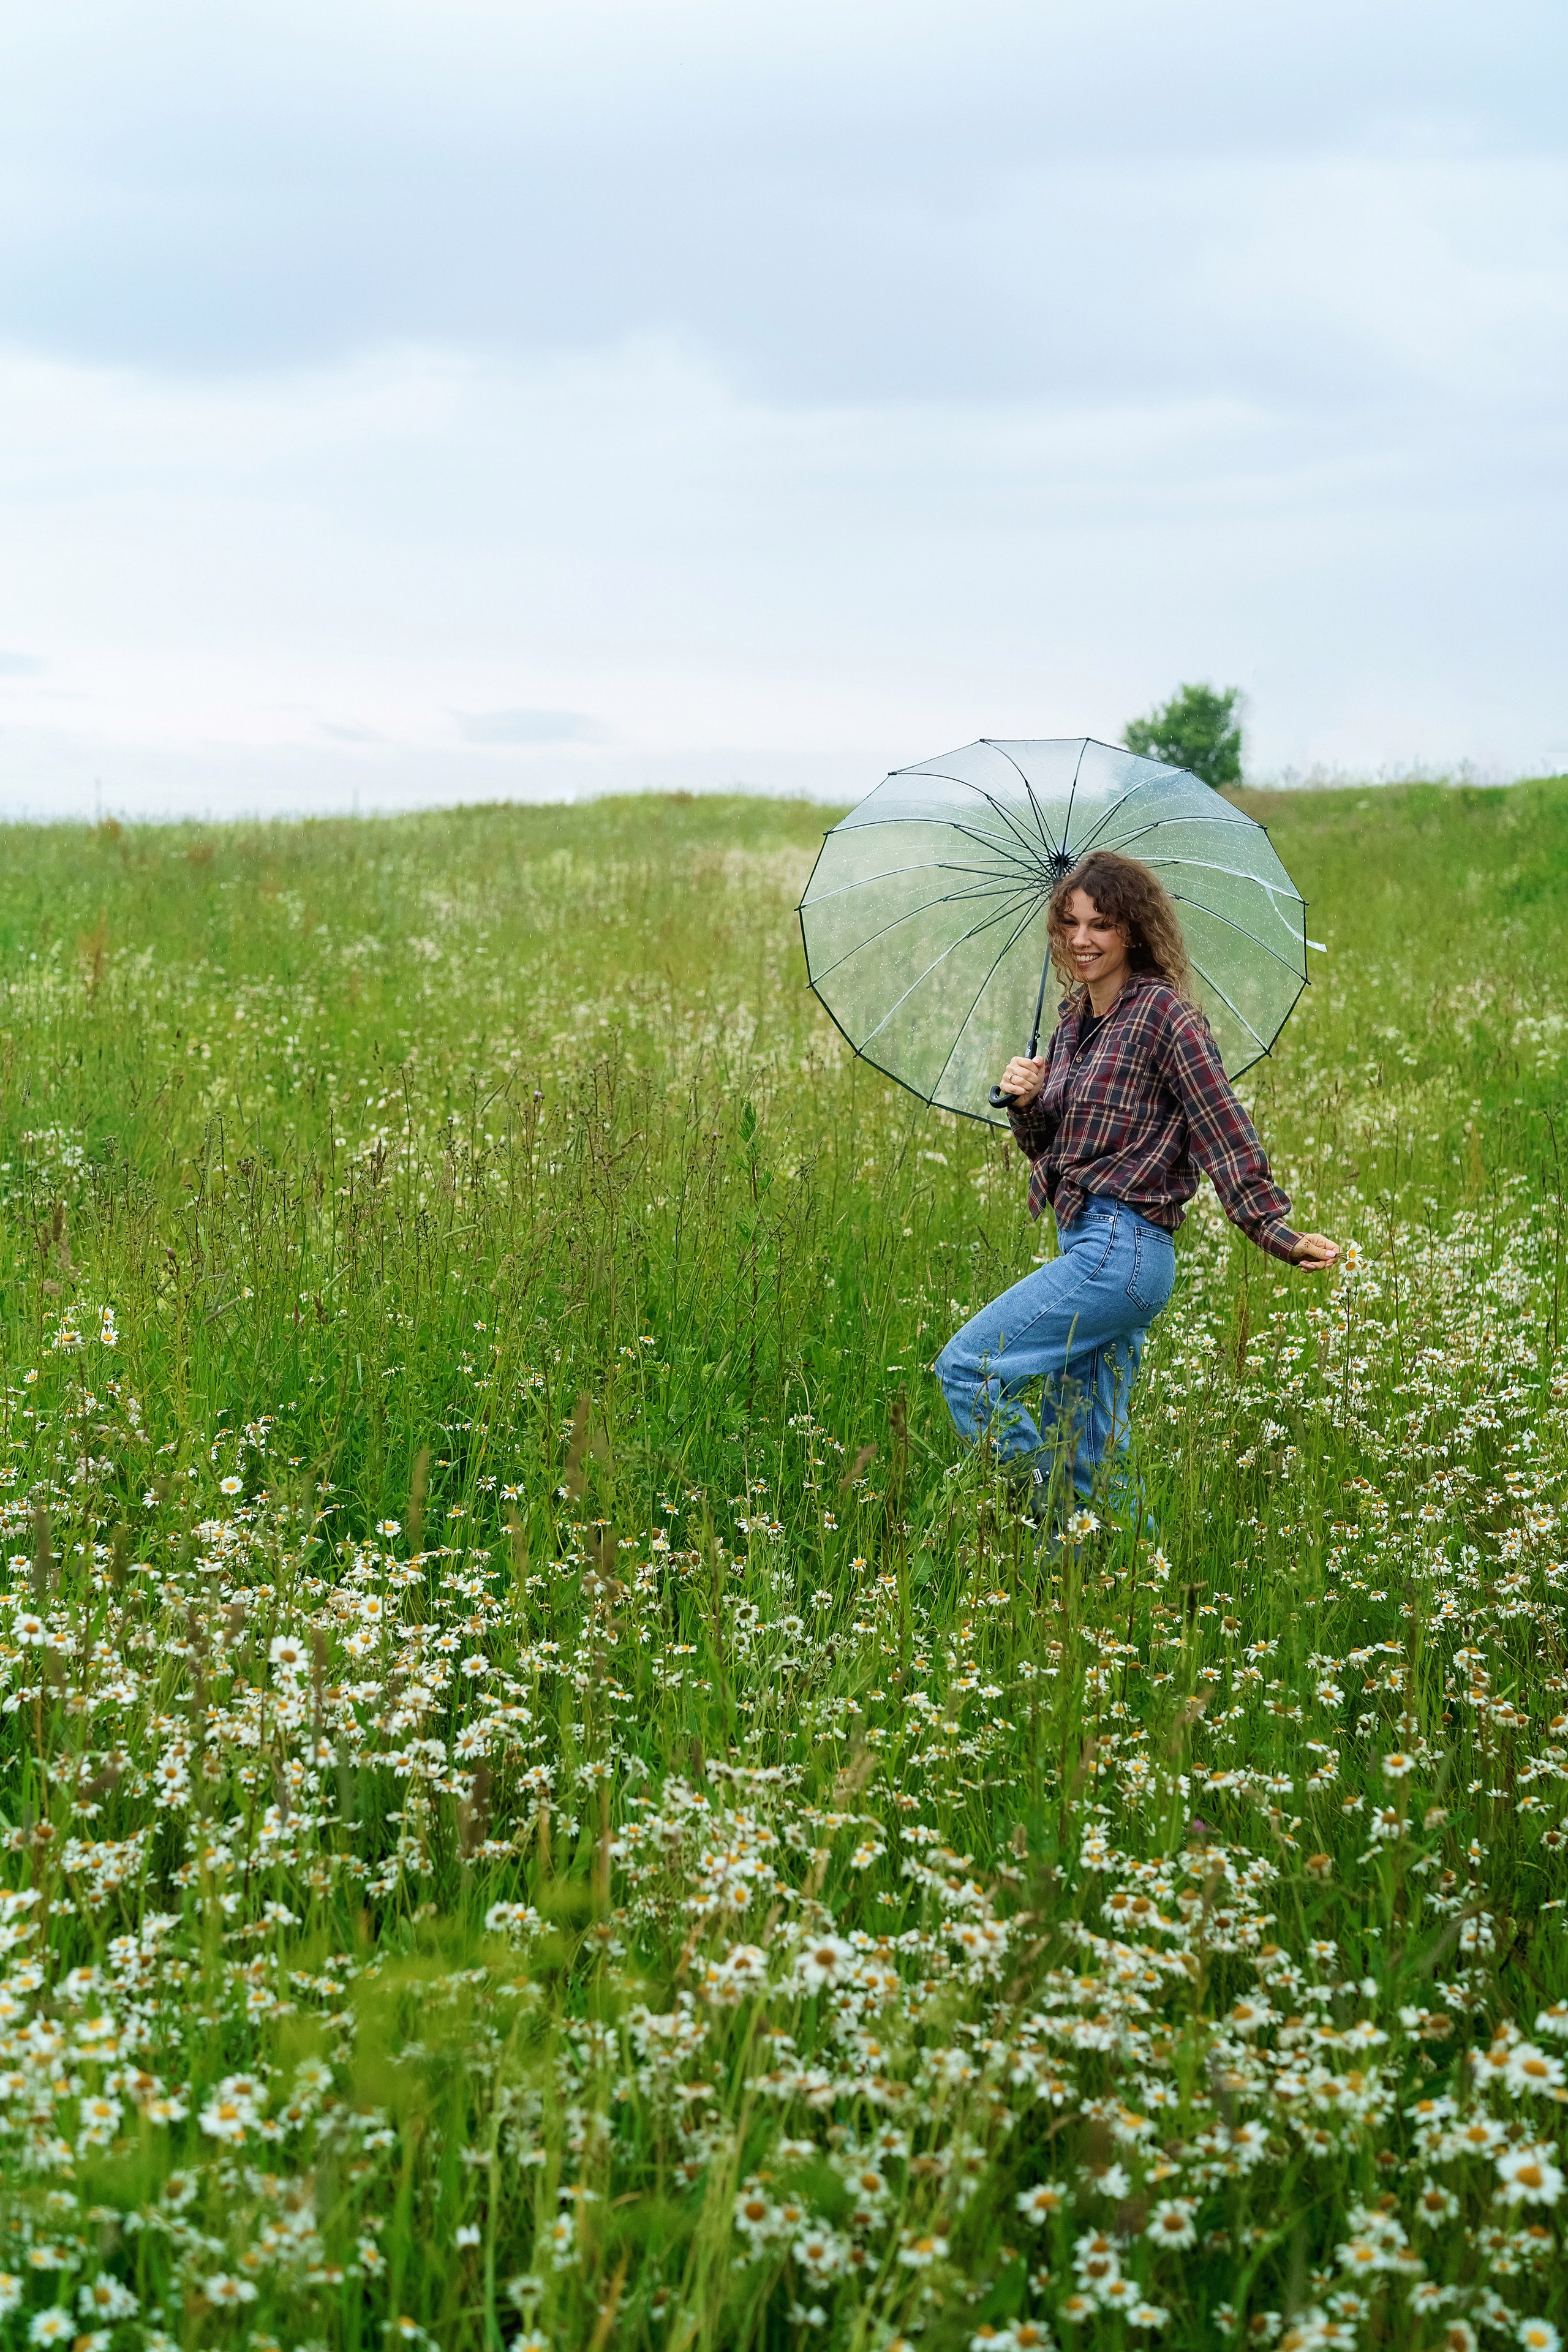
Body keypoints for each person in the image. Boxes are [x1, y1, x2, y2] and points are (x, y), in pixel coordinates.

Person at [933, 848, 1338, 1531]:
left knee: (969, 1369)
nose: (1082, 939)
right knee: (1091, 1456)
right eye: (1070, 923)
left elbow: (1222, 1126)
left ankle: (1055, 1522)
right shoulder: (1071, 1024)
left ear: (1134, 930)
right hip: (1087, 1245)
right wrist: (1027, 1104)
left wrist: (1277, 1232)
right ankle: (1125, 1574)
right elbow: (1055, 1154)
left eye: (1101, 924)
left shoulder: (1165, 1016)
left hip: (1121, 1248)